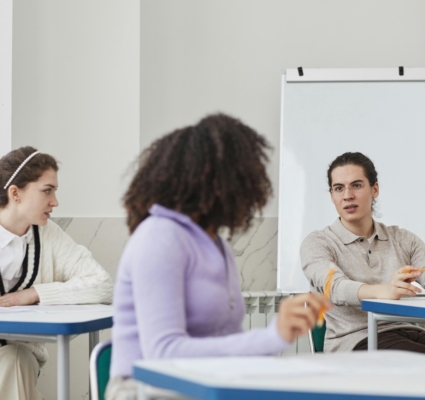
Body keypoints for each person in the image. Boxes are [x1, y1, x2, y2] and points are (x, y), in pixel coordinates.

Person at [108, 114, 330, 399]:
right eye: (242, 178)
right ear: (212, 182)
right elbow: (162, 353)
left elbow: (224, 343)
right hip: (144, 389)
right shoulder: (159, 237)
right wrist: (271, 336)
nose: (252, 192)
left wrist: (279, 336)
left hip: (203, 383)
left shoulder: (216, 245)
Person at [301, 151, 425, 363]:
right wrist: (385, 290)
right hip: (358, 342)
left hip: (409, 332)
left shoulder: (402, 239)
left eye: (356, 185)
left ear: (374, 189)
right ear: (332, 195)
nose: (347, 195)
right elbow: (335, 287)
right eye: (339, 188)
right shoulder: (318, 243)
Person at [0, 147, 113, 400]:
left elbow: (102, 284)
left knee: (14, 359)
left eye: (54, 191)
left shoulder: (47, 235)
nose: (55, 202)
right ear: (15, 193)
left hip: (19, 363)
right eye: (47, 190)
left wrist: (35, 293)